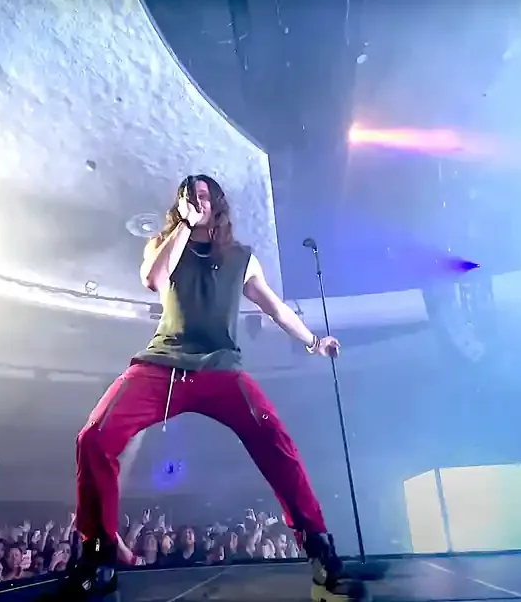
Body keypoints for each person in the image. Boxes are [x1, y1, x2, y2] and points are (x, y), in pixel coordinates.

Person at [62, 175, 365, 601]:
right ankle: (100, 555)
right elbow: (154, 278)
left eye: (204, 196)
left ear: (218, 204)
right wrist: (183, 227)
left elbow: (275, 307)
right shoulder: (164, 245)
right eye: (190, 197)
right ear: (180, 205)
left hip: (222, 370)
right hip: (162, 366)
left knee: (275, 441)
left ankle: (319, 549)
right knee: (93, 437)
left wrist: (314, 342)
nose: (198, 201)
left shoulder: (242, 257)